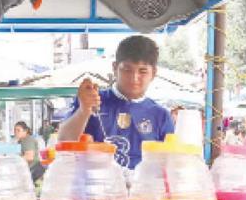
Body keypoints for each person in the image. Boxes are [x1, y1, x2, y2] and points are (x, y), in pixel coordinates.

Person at [58, 35, 174, 170]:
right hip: (95, 181)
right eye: (127, 70)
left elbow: (169, 164)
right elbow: (63, 142)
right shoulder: (91, 101)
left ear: (153, 73)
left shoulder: (161, 115)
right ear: (114, 68)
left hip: (143, 183)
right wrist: (83, 111)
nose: (134, 78)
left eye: (142, 71)